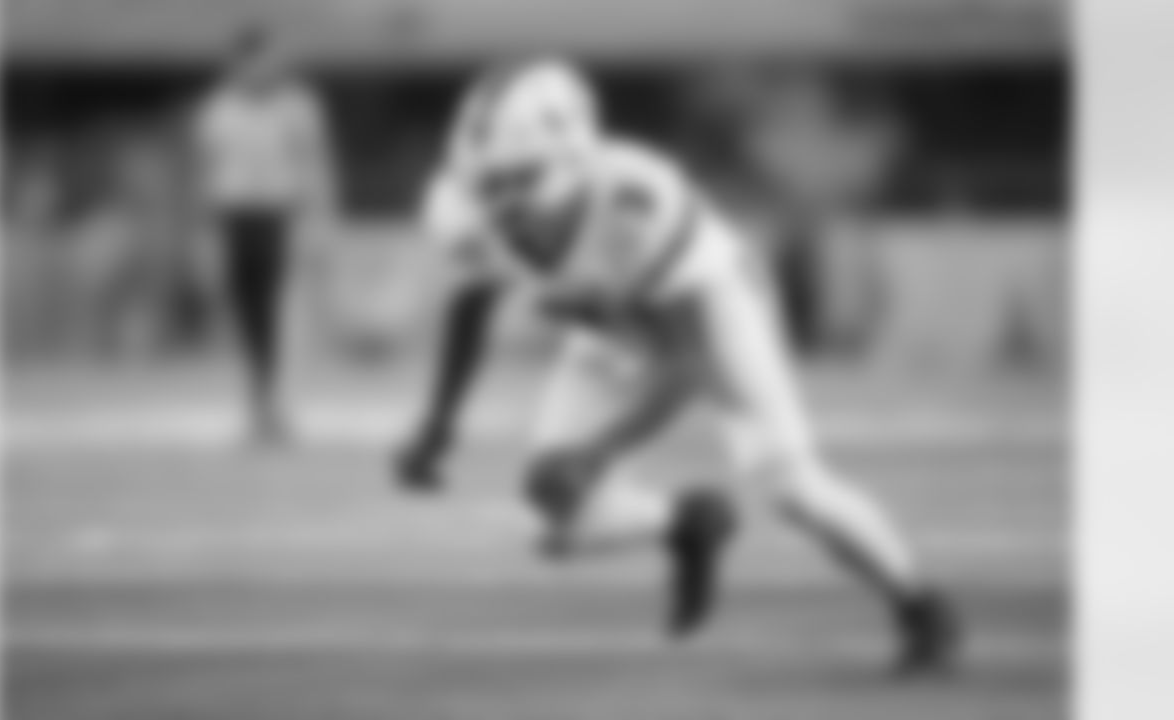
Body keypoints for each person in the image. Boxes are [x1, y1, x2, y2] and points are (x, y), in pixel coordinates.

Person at [394, 59, 961, 673]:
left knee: (791, 486)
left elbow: (688, 361)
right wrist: (438, 425)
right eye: (487, 183)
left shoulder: (638, 197)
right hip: (610, 330)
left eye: (521, 178)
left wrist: (596, 452)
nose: (501, 202)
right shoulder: (460, 210)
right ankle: (686, 523)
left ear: (576, 156)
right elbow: (471, 305)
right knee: (562, 519)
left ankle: (919, 604)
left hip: (715, 313)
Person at [191, 24, 336, 443]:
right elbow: (205, 173)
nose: (268, 68)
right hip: (235, 217)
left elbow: (314, 165)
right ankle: (258, 400)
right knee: (247, 314)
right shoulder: (218, 109)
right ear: (240, 62)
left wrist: (320, 219)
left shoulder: (296, 107)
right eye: (259, 59)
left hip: (277, 215)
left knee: (279, 313)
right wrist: (204, 233)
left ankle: (276, 403)